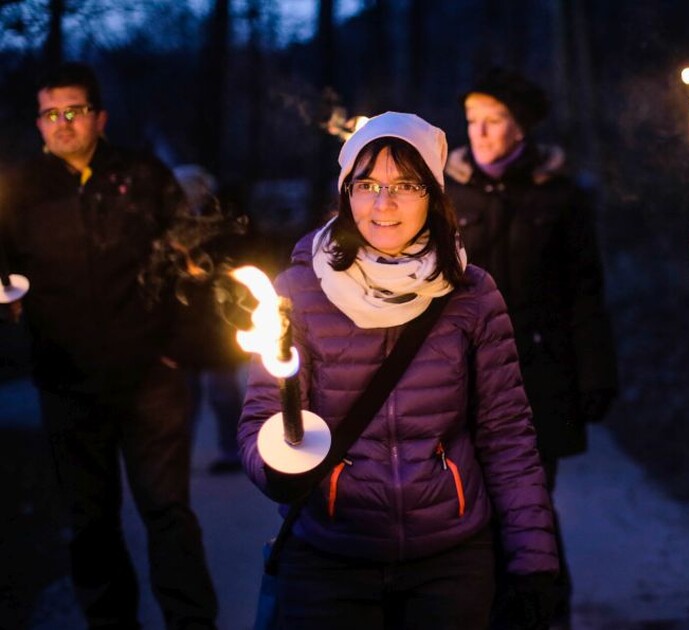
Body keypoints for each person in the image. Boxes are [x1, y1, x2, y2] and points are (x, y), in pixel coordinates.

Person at [238, 112, 559, 629]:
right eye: (366, 184)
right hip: (329, 560)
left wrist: (533, 561)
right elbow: (260, 420)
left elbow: (507, 437)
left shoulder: (473, 296)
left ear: (433, 195)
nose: (383, 204)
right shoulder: (297, 293)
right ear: (346, 194)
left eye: (405, 185)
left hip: (449, 564)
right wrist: (276, 464)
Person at [0, 63, 218, 628]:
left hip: (151, 378)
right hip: (67, 380)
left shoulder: (143, 178)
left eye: (74, 111)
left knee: (167, 512)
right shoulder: (20, 189)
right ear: (39, 122)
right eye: (50, 113)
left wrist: (178, 350)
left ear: (99, 117)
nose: (62, 123)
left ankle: (192, 622)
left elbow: (191, 265)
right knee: (89, 520)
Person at [445, 67, 618, 628]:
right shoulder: (447, 191)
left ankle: (543, 615)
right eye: (473, 121)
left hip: (535, 377)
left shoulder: (558, 195)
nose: (481, 133)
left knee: (528, 509)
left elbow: (584, 292)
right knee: (469, 506)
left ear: (520, 129)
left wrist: (594, 375)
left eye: (494, 121)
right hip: (461, 377)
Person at [170, 163, 251, 474]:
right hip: (184, 325)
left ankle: (232, 450)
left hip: (218, 323)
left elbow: (238, 262)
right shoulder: (171, 226)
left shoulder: (222, 223)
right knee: (185, 396)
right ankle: (178, 454)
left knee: (224, 392)